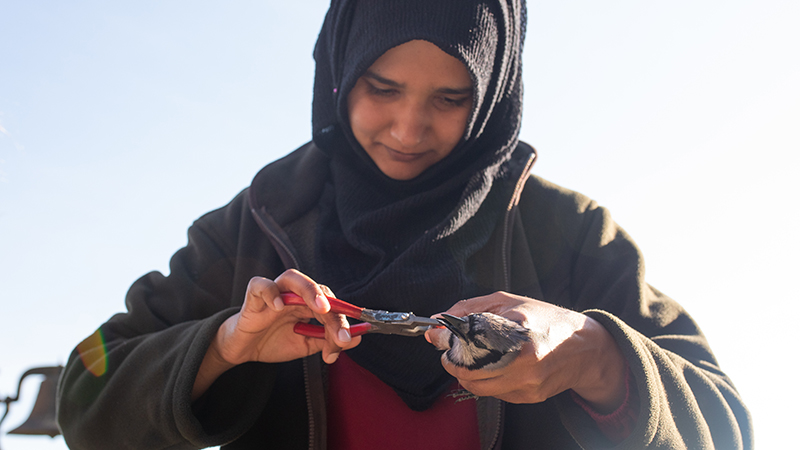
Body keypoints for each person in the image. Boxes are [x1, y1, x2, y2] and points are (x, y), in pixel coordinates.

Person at [57, 0, 753, 449]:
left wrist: (596, 355)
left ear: (495, 97)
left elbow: (727, 428)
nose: (408, 127)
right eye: (380, 87)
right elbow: (86, 399)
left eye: (452, 98)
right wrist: (225, 346)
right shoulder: (252, 229)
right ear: (337, 72)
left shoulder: (566, 234)